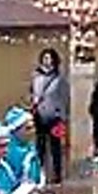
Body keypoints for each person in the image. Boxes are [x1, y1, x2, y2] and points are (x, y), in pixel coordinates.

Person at [31, 48, 70, 185]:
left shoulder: (59, 79)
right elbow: (33, 95)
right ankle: (39, 174)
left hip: (55, 117)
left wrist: (63, 118)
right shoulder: (36, 77)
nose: (47, 61)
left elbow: (64, 99)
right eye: (44, 58)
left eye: (49, 58)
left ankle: (57, 175)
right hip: (39, 116)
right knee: (40, 147)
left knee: (55, 147)